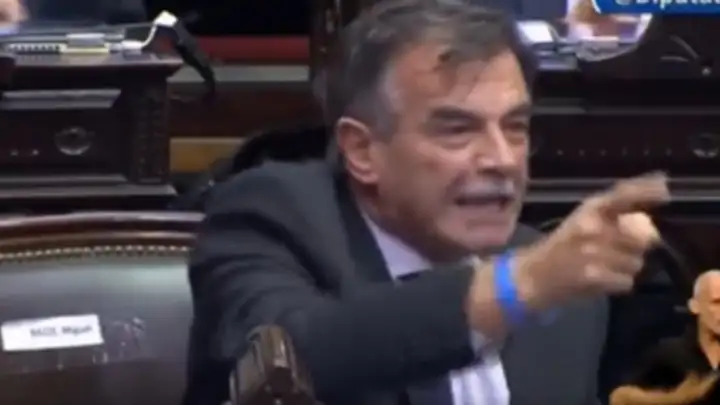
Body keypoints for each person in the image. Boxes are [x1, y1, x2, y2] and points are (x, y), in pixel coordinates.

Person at [184, 1, 669, 405]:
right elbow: (288, 362)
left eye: (515, 127)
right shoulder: (274, 218)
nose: (502, 160)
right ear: (362, 151)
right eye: (457, 130)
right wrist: (515, 288)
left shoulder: (567, 299)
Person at [609, 271, 720, 405]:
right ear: (695, 306)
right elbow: (619, 397)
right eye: (716, 303)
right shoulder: (670, 355)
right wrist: (676, 398)